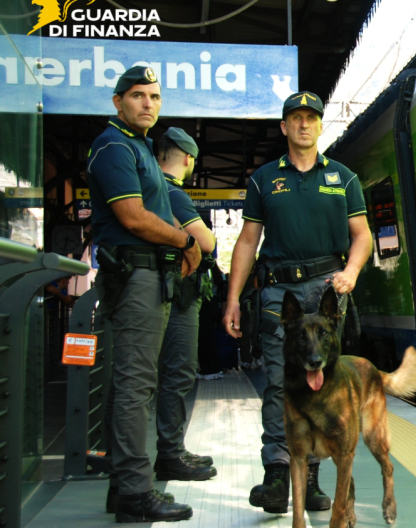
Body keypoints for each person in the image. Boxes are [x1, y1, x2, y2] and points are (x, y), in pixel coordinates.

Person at [222, 91, 372, 515]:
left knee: (325, 387)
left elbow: (361, 235)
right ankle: (276, 474)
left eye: (312, 118)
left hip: (328, 293)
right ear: (284, 127)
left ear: (321, 126)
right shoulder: (264, 179)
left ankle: (311, 478)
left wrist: (353, 271)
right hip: (279, 296)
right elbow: (248, 241)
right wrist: (233, 298)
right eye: (296, 118)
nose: (304, 124)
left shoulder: (343, 178)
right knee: (278, 384)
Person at [87, 65, 200, 523]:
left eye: (154, 96)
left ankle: (124, 487)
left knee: (137, 382)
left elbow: (154, 210)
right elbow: (133, 217)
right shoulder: (113, 145)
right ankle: (134, 491)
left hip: (149, 276)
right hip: (134, 275)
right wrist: (186, 242)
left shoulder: (139, 148)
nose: (147, 103)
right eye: (137, 95)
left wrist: (180, 244)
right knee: (136, 384)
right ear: (118, 102)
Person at [152, 127, 218, 481]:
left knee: (165, 374)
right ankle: (170, 453)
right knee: (178, 372)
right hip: (178, 297)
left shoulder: (151, 188)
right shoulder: (173, 193)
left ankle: (171, 449)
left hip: (166, 291)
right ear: (189, 159)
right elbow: (206, 242)